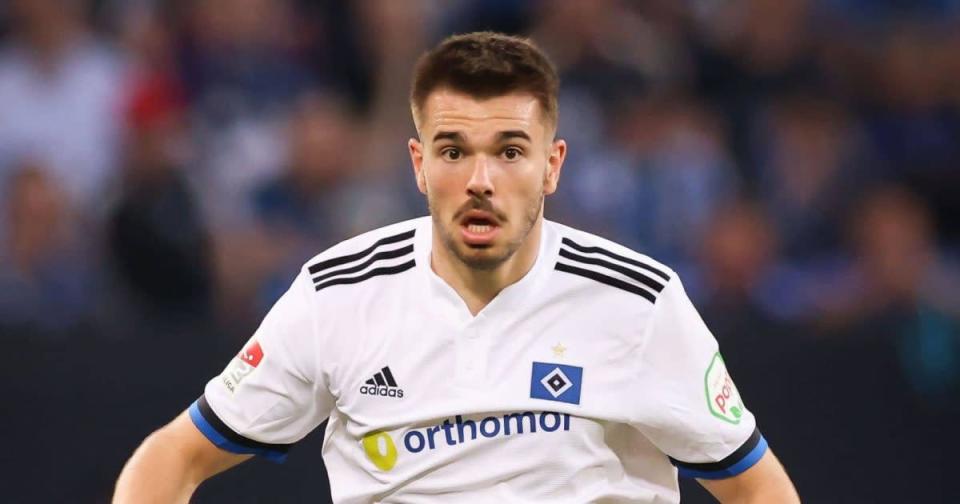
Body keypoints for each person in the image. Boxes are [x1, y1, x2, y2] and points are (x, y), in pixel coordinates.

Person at [114, 32, 799, 503]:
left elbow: (757, 485)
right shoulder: (337, 294)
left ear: (551, 166)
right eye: (452, 151)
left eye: (509, 151)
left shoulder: (638, 304)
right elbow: (175, 455)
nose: (480, 179)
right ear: (418, 164)